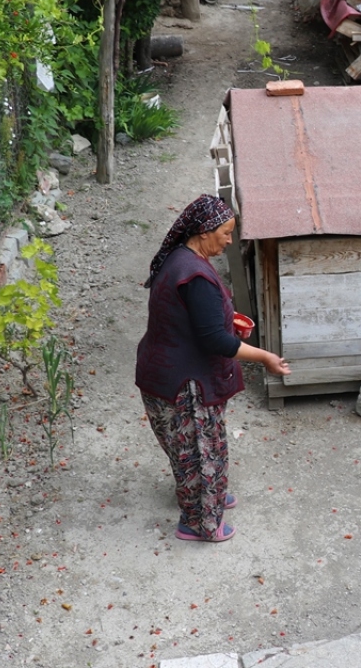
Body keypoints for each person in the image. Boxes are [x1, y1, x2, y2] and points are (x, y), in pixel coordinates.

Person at [136, 194, 290, 543]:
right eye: (225, 233)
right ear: (203, 233)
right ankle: (199, 522)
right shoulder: (196, 277)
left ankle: (211, 497)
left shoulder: (178, 258)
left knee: (189, 449)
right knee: (201, 451)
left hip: (162, 372)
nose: (229, 240)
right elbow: (215, 342)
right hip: (183, 384)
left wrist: (222, 321)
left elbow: (194, 322)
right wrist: (265, 357)